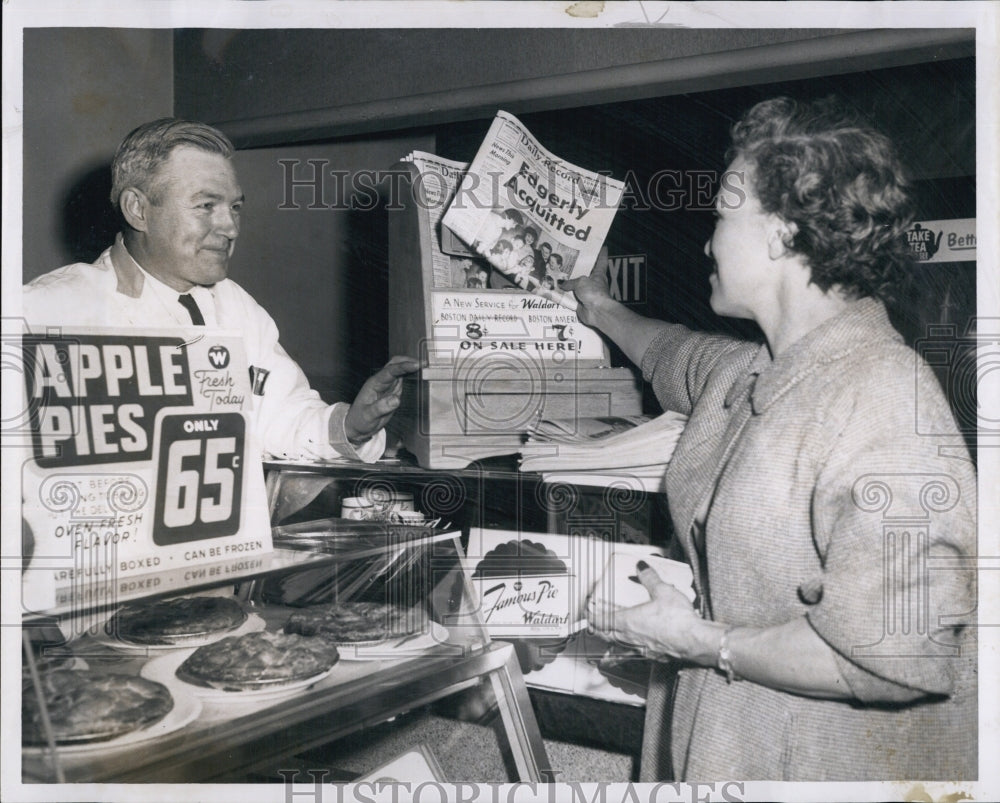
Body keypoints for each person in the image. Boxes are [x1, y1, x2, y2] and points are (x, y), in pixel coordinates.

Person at [569, 97, 977, 781]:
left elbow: (903, 650)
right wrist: (600, 306)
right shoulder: (755, 364)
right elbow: (673, 354)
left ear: (784, 233)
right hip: (729, 745)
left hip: (820, 764)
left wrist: (700, 641)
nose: (706, 241)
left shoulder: (886, 399)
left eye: (724, 216)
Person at [22, 118, 419, 464]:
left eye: (235, 208)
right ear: (138, 210)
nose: (230, 228)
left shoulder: (236, 307)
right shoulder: (48, 310)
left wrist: (351, 425)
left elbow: (284, 418)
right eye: (206, 206)